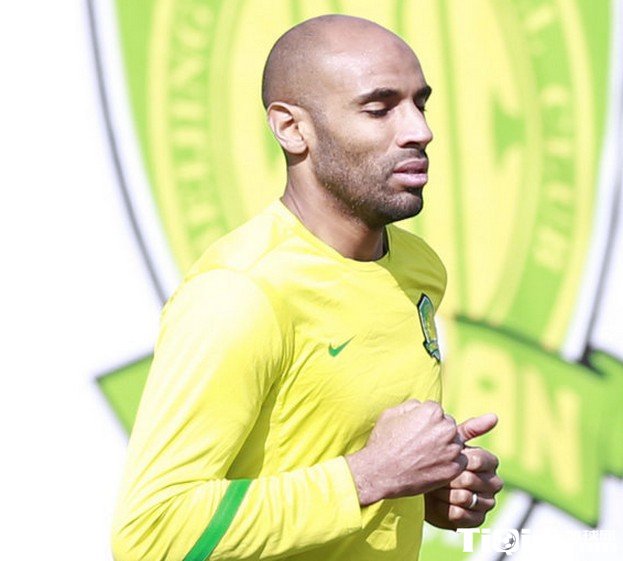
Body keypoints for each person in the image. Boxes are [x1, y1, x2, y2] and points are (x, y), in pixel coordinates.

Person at [111, 14, 503, 561]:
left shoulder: (419, 268)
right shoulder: (240, 294)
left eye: (421, 103)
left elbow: (338, 457)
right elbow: (151, 535)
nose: (419, 131)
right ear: (292, 129)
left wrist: (429, 487)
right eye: (380, 108)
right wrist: (370, 476)